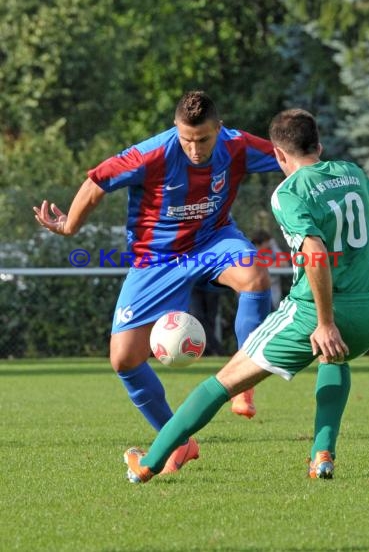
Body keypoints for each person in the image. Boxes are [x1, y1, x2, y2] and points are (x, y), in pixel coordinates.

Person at [122, 107, 369, 484]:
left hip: (314, 314)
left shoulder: (289, 192)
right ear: (319, 144)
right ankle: (322, 454)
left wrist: (325, 321)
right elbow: (365, 210)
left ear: (279, 154)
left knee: (220, 383)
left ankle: (149, 463)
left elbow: (314, 251)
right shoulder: (353, 173)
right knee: (335, 359)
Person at [33, 90, 281, 475]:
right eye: (186, 139)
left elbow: (289, 158)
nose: (195, 149)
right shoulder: (151, 153)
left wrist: (323, 180)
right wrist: (68, 226)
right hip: (156, 258)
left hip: (214, 240)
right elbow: (97, 182)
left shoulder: (236, 145)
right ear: (175, 130)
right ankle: (179, 443)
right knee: (124, 359)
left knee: (255, 274)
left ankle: (244, 381)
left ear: (219, 128)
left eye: (203, 139)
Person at [250, 228, 288, 310]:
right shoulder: (250, 252)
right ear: (261, 243)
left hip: (273, 291)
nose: (269, 244)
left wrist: (274, 246)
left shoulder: (272, 250)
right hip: (256, 291)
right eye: (268, 242)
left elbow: (284, 263)